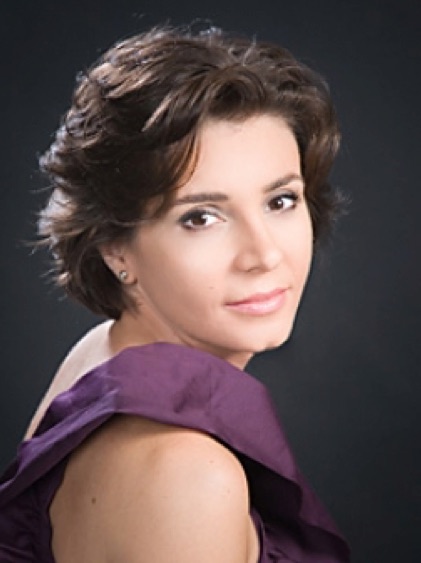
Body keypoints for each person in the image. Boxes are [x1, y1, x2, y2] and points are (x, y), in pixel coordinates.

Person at [0, 25, 350, 562]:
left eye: (280, 200)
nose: (263, 254)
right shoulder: (189, 477)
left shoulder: (104, 352)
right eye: (201, 217)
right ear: (115, 248)